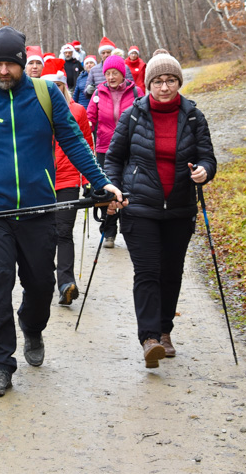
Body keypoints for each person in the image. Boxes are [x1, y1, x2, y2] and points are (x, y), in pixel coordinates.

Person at [0, 26, 123, 397]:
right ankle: (0, 363)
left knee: (40, 285)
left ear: (22, 63)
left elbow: (75, 142)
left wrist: (102, 184)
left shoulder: (46, 94)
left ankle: (32, 327)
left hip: (39, 209)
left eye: (10, 63)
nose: (3, 71)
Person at [104, 53, 216, 368]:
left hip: (180, 208)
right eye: (157, 81)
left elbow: (208, 156)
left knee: (171, 272)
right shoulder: (134, 115)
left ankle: (165, 330)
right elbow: (113, 157)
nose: (164, 87)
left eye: (170, 80)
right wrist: (113, 187)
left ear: (179, 82)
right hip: (140, 206)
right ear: (148, 84)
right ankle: (150, 338)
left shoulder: (193, 116)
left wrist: (204, 171)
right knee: (148, 271)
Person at [40, 59, 96, 306]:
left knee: (63, 232)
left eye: (59, 85)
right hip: (39, 182)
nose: (55, 90)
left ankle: (65, 283)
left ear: (64, 86)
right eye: (50, 86)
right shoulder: (33, 110)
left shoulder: (78, 111)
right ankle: (41, 281)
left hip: (68, 180)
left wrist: (89, 179)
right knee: (42, 234)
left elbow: (86, 145)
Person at [86, 54, 144, 248]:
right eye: (107, 73)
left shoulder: (136, 92)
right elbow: (90, 119)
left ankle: (132, 232)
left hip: (131, 149)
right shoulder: (97, 94)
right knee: (106, 191)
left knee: (131, 190)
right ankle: (109, 231)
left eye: (115, 73)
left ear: (122, 73)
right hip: (105, 149)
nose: (110, 77)